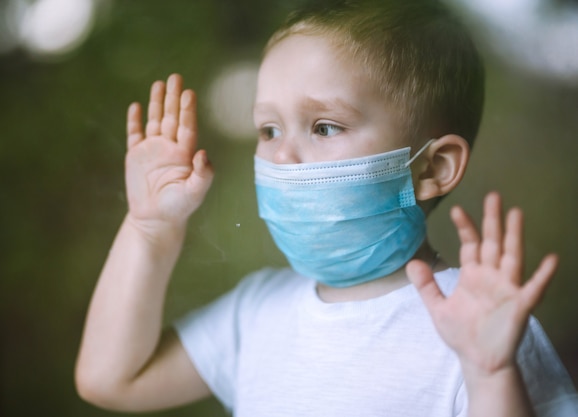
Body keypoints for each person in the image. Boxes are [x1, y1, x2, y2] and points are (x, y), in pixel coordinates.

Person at [75, 1, 578, 416]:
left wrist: (491, 378)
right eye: (268, 130)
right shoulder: (255, 314)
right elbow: (111, 379)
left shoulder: (479, 327)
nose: (282, 156)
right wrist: (148, 228)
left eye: (324, 127)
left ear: (431, 168)